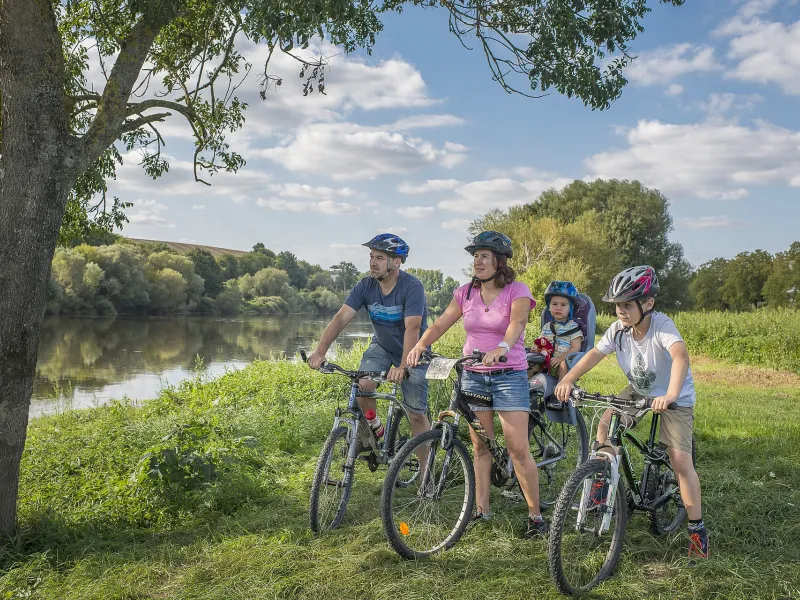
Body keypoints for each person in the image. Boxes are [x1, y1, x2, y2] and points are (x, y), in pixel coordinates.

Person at [555, 266, 708, 560]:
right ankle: (601, 482)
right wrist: (568, 378)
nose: (620, 311)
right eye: (617, 305)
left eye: (627, 304)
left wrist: (671, 395)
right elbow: (594, 354)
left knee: (680, 461)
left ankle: (697, 530)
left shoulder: (662, 326)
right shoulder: (618, 330)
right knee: (605, 427)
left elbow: (680, 355)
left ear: (647, 304)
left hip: (674, 396)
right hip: (639, 389)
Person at [407, 231, 547, 539]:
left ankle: (535, 516)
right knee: (480, 446)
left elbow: (517, 324)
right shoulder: (464, 293)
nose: (477, 261)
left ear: (500, 261)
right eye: (475, 256)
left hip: (508, 375)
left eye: (484, 255)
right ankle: (481, 509)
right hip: (473, 373)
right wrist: (420, 345)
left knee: (518, 449)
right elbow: (442, 322)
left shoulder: (517, 291)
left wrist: (503, 347)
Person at [307, 233, 431, 441]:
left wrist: (402, 367)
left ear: (397, 261)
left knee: (417, 415)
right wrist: (320, 352)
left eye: (380, 258)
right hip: (382, 347)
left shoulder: (412, 287)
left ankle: (427, 471)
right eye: (372, 257)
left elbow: (413, 328)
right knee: (362, 387)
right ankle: (375, 425)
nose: (373, 263)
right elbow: (340, 318)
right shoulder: (366, 286)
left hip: (413, 352)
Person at [541, 280, 584, 380]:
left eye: (563, 305)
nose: (558, 308)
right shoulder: (547, 326)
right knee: (531, 362)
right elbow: (542, 343)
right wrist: (537, 347)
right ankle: (525, 388)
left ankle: (560, 389)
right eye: (554, 304)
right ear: (549, 307)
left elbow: (575, 348)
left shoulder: (573, 327)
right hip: (548, 361)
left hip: (565, 361)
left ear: (571, 308)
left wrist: (560, 358)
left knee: (563, 364)